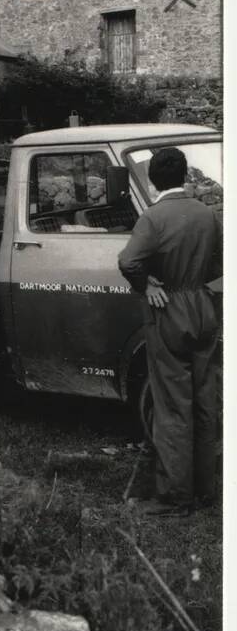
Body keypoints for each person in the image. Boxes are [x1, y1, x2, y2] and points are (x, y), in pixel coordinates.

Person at [118, 147, 222, 517]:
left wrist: (147, 285)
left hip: (169, 310)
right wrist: (193, 283)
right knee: (204, 401)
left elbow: (128, 261)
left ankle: (176, 497)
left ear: (152, 179)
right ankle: (206, 490)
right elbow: (220, 261)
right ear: (185, 175)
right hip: (203, 306)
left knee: (173, 405)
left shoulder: (154, 217)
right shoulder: (207, 214)